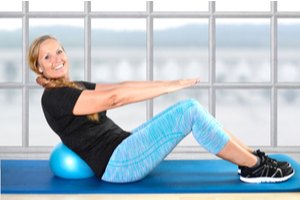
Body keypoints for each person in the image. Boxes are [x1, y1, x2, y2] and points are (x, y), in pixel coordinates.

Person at [28, 35, 294, 184]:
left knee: (188, 107)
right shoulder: (54, 98)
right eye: (47, 57)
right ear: (39, 67)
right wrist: (168, 89)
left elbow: (122, 85)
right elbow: (114, 99)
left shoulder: (73, 86)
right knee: (188, 111)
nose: (57, 59)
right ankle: (255, 167)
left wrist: (171, 82)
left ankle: (250, 157)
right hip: (117, 164)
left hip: (122, 146)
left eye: (59, 51)